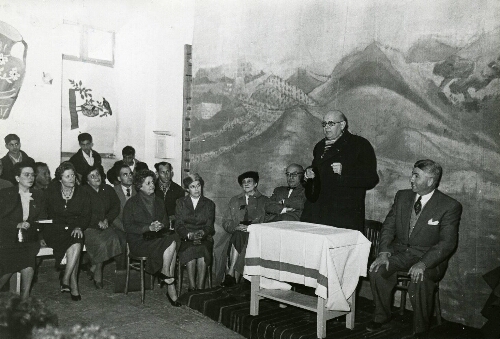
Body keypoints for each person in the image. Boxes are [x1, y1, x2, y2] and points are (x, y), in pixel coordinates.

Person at [367, 159, 462, 338]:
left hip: (430, 257)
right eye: (412, 174)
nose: (411, 179)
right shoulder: (402, 196)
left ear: (430, 181)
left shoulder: (449, 206)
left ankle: (420, 329)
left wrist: (424, 263)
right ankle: (382, 316)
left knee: (421, 277)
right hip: (401, 252)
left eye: (416, 176)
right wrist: (384, 253)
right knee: (377, 269)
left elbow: (447, 243)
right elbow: (388, 226)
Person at [301, 110, 379, 231]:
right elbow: (317, 171)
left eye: (331, 123)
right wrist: (307, 175)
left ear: (342, 125)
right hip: (316, 213)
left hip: (342, 216)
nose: (326, 127)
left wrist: (345, 171)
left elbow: (371, 179)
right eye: (324, 124)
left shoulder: (359, 144)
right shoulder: (320, 146)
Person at [123, 169, 181, 306]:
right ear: (139, 186)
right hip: (139, 242)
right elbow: (128, 227)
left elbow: (166, 222)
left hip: (157, 238)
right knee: (170, 242)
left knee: (174, 238)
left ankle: (166, 274)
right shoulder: (131, 203)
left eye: (152, 182)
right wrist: (147, 228)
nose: (152, 185)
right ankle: (169, 281)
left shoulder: (159, 201)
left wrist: (160, 225)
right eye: (148, 183)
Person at [44, 161, 91, 301]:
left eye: (73, 175)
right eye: (67, 176)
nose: (72, 179)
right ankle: (73, 284)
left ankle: (66, 279)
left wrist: (79, 226)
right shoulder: (51, 192)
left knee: (77, 241)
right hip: (55, 229)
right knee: (75, 245)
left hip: (74, 227)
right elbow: (45, 214)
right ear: (60, 179)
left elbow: (86, 215)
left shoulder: (82, 192)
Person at [0, 162, 46, 299]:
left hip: (29, 239)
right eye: (26, 175)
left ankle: (24, 301)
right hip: (7, 237)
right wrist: (16, 224)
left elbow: (41, 220)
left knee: (28, 260)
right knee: (16, 262)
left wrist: (41, 237)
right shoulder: (5, 194)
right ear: (17, 178)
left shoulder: (38, 195)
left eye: (32, 175)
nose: (31, 178)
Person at [221, 171, 268, 287]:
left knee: (240, 237)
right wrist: (235, 227)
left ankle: (231, 274)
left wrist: (251, 228)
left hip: (256, 237)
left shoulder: (265, 201)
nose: (246, 184)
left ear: (256, 183)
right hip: (236, 233)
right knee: (238, 235)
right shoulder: (235, 200)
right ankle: (234, 280)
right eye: (243, 182)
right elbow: (226, 221)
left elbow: (267, 222)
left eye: (249, 181)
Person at [81, 166, 122, 289]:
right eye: (92, 176)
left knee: (114, 239)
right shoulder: (83, 191)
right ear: (87, 181)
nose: (96, 177)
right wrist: (96, 222)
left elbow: (116, 206)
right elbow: (82, 211)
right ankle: (98, 270)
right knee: (101, 244)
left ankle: (94, 266)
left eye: (97, 174)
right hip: (88, 226)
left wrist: (107, 219)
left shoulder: (107, 189)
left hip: (105, 225)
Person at [175, 173, 215, 291]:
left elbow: (209, 226)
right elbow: (179, 225)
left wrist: (203, 233)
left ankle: (201, 287)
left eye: (198, 185)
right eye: (192, 187)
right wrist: (188, 235)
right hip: (186, 238)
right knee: (190, 249)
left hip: (204, 237)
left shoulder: (209, 204)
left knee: (202, 250)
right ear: (187, 189)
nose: (197, 189)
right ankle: (192, 287)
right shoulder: (180, 202)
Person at [112, 164, 136, 270]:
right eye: (125, 174)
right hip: (119, 226)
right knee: (121, 241)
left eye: (130, 174)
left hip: (136, 226)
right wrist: (124, 228)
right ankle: (122, 271)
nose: (129, 176)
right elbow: (112, 215)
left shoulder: (139, 189)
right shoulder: (113, 191)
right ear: (119, 178)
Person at [154, 161, 185, 227]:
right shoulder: (152, 188)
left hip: (172, 225)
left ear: (171, 173)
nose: (166, 175)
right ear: (157, 173)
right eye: (163, 172)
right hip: (155, 224)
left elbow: (181, 211)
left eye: (168, 171)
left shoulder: (178, 190)